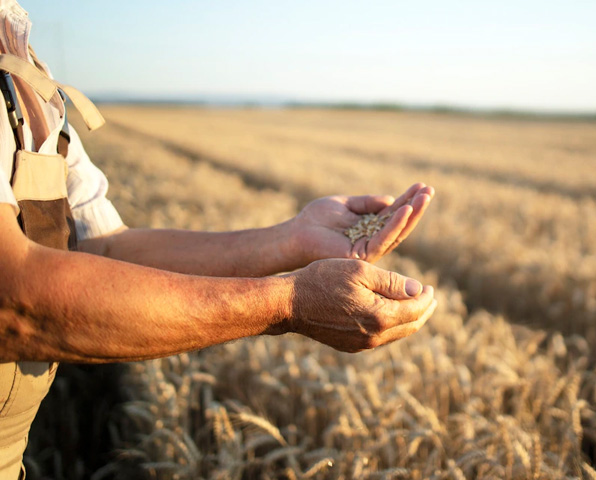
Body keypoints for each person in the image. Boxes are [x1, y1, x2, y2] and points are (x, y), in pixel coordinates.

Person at [0, 1, 436, 478]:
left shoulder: (22, 60)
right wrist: (290, 302)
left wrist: (291, 239)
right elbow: (13, 297)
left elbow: (101, 245)